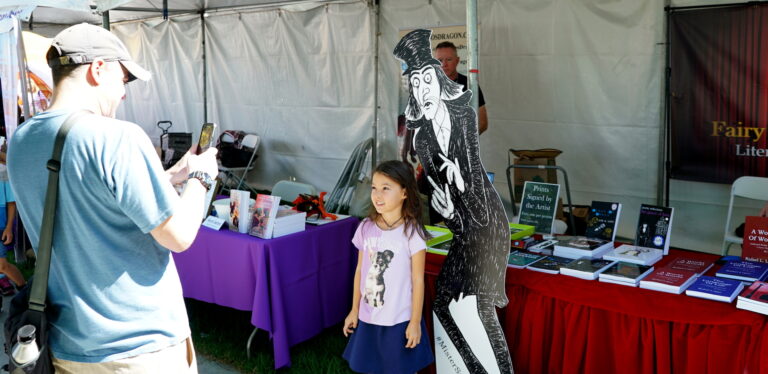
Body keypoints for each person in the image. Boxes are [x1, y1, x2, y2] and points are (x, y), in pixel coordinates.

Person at [7, 23, 218, 373]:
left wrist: (168, 176)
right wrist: (200, 176)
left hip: (66, 343)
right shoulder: (117, 137)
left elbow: (85, 196)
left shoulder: (22, 140)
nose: (123, 93)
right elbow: (180, 236)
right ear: (98, 69)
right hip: (139, 347)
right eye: (123, 80)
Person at [395, 30, 513, 373]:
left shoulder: (463, 105)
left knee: (470, 305)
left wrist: (455, 171)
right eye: (416, 81)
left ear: (453, 65)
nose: (424, 86)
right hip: (459, 216)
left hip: (480, 219)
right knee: (448, 305)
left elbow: (469, 153)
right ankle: (476, 367)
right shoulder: (424, 128)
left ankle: (494, 368)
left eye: (432, 73)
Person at [342, 160, 434, 374]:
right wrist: (354, 310)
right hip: (368, 316)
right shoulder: (365, 227)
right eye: (374, 188)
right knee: (369, 366)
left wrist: (415, 322)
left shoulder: (412, 233)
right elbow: (360, 272)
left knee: (399, 368)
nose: (377, 195)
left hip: (399, 319)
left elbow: (418, 280)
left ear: (404, 193)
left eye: (386, 188)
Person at [434, 41, 488, 135]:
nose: (444, 64)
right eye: (440, 60)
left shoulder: (470, 86)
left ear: (457, 60)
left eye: (449, 59)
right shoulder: (426, 86)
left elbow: (482, 122)